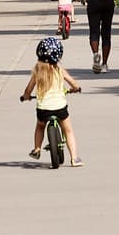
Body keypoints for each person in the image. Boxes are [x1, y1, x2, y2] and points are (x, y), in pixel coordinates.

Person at [20, 36, 83, 166]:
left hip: (43, 110)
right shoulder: (59, 70)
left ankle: (37, 149)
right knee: (68, 131)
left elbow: (28, 90)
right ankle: (75, 158)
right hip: (60, 108)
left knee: (40, 126)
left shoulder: (37, 72)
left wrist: (26, 96)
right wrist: (75, 89)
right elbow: (74, 84)